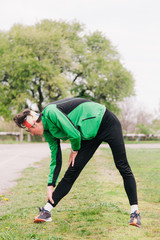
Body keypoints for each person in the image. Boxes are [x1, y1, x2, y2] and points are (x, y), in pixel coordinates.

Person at [13, 98, 141, 227]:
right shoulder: (48, 133)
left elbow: (74, 135)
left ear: (34, 124)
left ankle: (135, 213)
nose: (32, 134)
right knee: (72, 170)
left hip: (106, 122)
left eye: (29, 131)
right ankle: (46, 211)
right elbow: (55, 158)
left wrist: (73, 150)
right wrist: (50, 184)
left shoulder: (51, 112)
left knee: (122, 165)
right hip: (88, 135)